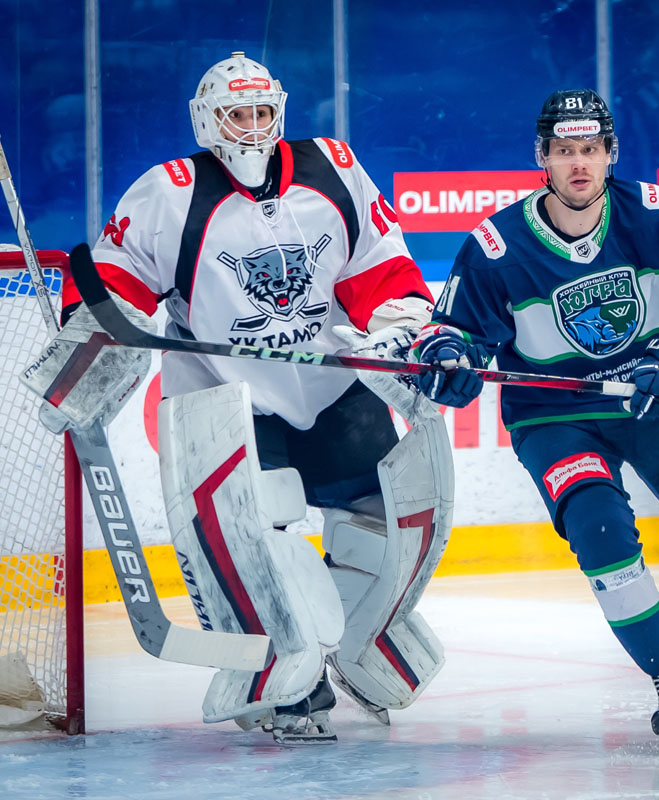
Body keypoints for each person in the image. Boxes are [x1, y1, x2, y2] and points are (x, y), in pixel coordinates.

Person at [52, 52, 451, 743]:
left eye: (265, 112)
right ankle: (287, 668)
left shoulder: (333, 168)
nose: (254, 127)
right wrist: (93, 337)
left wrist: (402, 330)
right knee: (260, 532)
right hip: (226, 393)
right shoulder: (170, 192)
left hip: (331, 383)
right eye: (239, 114)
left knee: (385, 521)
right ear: (208, 121)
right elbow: (118, 283)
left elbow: (381, 267)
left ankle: (357, 644)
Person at [413, 89, 659, 748]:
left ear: (611, 153)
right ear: (543, 157)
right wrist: (448, 359)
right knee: (599, 531)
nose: (579, 163)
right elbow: (455, 335)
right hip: (555, 416)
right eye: (565, 150)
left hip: (653, 400)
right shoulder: (496, 246)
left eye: (591, 149)